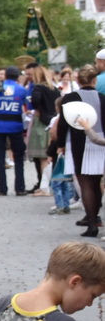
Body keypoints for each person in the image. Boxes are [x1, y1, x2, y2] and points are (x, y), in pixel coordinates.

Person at [55, 66, 105, 235]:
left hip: (78, 142)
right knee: (96, 182)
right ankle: (96, 216)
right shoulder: (102, 97)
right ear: (94, 80)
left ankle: (91, 222)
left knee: (85, 184)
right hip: (99, 141)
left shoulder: (69, 98)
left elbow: (63, 124)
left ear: (77, 81)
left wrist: (60, 143)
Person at [0, 65, 30, 196]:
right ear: (17, 76)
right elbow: (26, 107)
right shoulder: (21, 90)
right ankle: (20, 188)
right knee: (19, 157)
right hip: (15, 127)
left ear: (5, 76)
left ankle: (2, 188)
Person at [25, 65, 59, 194]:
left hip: (41, 122)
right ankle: (49, 184)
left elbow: (35, 100)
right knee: (50, 155)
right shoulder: (54, 88)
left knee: (42, 157)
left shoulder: (38, 87)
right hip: (52, 121)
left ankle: (44, 186)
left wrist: (37, 108)